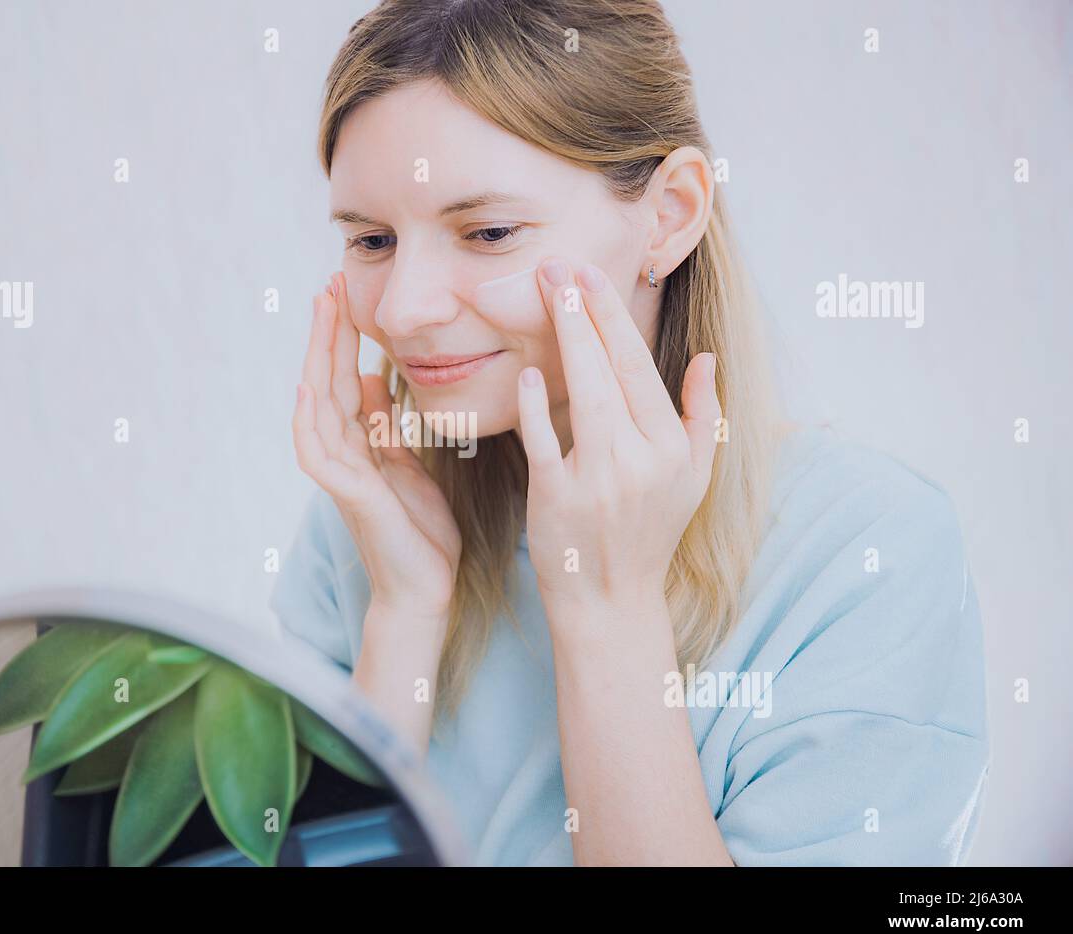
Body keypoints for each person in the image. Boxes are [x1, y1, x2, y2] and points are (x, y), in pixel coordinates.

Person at [271, 0, 989, 866]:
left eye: (489, 232)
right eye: (373, 239)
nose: (401, 308)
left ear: (670, 214)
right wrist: (403, 616)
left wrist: (605, 608)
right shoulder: (363, 536)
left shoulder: (867, 555)